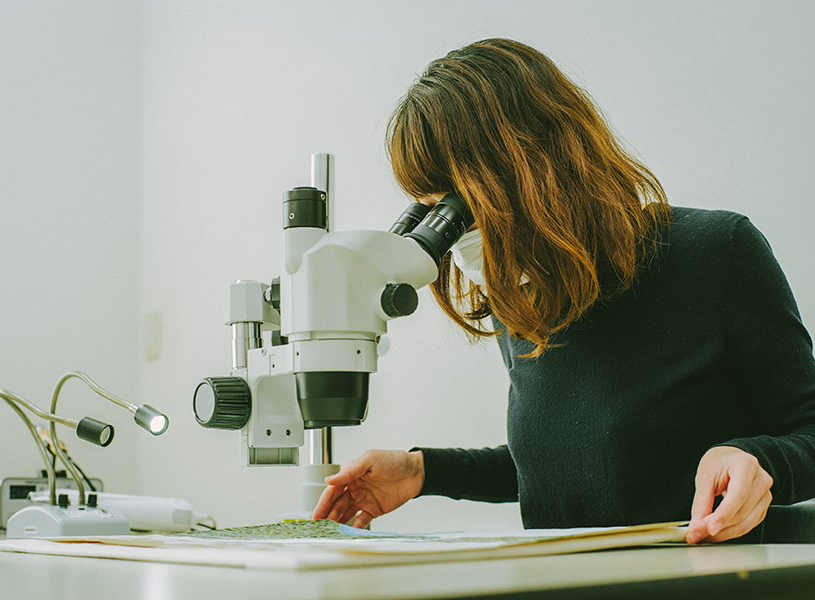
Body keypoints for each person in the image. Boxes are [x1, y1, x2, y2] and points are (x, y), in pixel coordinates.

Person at [312, 38, 815, 544]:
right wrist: (425, 471)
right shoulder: (520, 301)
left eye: (459, 210)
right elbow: (574, 466)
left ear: (534, 165)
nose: (456, 239)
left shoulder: (717, 253)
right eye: (432, 212)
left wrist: (756, 459)